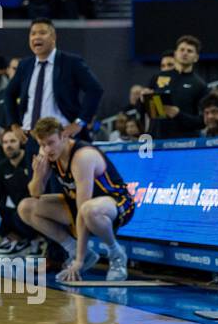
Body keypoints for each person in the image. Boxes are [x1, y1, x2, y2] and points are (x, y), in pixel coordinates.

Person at [18, 116, 134, 283]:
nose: (47, 149)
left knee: (89, 210)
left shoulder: (82, 157)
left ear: (64, 136)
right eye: (42, 145)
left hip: (116, 203)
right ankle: (80, 252)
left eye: (51, 143)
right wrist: (38, 175)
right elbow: (35, 193)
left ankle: (116, 254)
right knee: (26, 207)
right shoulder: (48, 154)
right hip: (82, 205)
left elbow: (82, 209)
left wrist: (77, 263)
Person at [0, 19, 103, 152]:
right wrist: (14, 125)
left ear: (53, 37)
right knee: (35, 174)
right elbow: (9, 94)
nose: (36, 37)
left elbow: (95, 89)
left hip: (62, 137)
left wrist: (80, 122)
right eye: (33, 33)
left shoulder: (71, 62)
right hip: (33, 139)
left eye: (42, 33)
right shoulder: (25, 65)